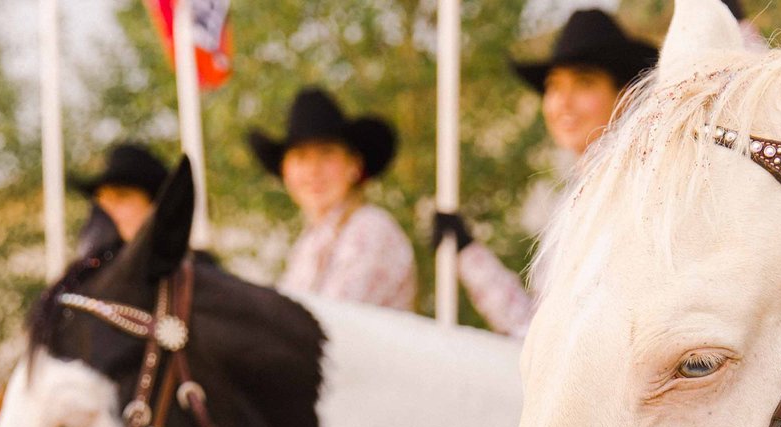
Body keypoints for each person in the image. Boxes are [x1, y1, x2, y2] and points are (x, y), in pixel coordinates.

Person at [433, 8, 657, 336]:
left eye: (584, 83)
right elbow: (536, 327)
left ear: (624, 96)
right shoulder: (576, 193)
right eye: (554, 86)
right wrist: (467, 251)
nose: (563, 102)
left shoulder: (638, 190)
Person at [249, 87, 416, 310]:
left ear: (354, 165)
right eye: (301, 157)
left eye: (326, 154)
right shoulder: (310, 241)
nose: (313, 170)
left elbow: (327, 324)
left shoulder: (369, 229)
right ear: (285, 170)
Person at [71, 141, 170, 246]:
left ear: (155, 201)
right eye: (104, 202)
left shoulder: (182, 260)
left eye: (121, 197)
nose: (111, 211)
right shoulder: (104, 255)